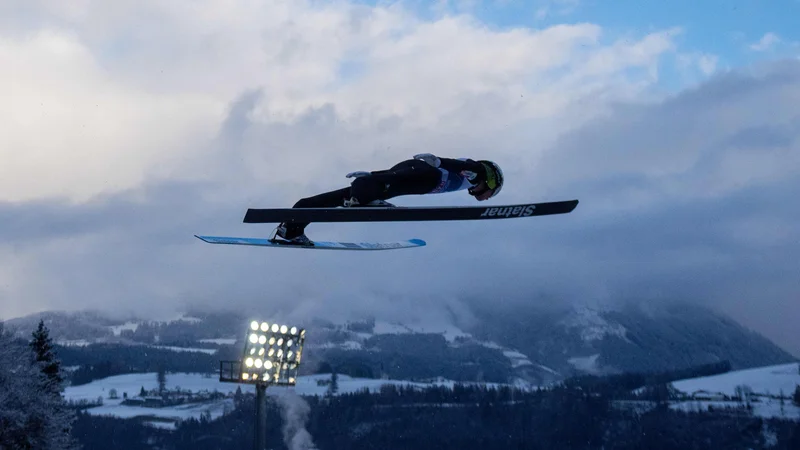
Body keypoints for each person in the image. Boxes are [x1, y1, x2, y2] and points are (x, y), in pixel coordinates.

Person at [272, 153, 504, 244]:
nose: (485, 198)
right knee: (390, 183)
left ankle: (291, 227)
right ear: (491, 181)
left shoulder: (471, 178)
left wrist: (374, 175)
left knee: (343, 196)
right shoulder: (477, 173)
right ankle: (364, 194)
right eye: (492, 193)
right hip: (425, 174)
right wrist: (439, 161)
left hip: (415, 174)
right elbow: (464, 166)